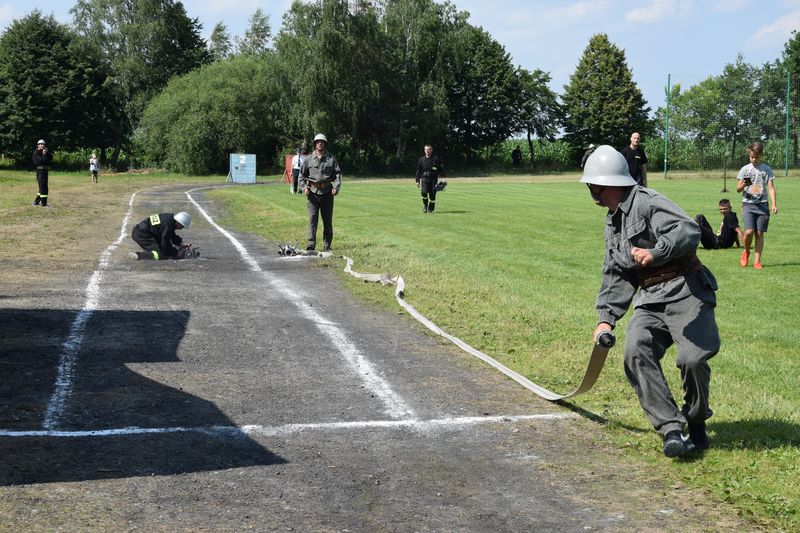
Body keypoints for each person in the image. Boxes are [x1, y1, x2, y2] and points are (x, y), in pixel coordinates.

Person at [582, 145, 720, 458]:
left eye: (592, 185)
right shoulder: (612, 222)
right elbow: (615, 272)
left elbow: (687, 230)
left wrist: (655, 253)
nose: (591, 192)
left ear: (604, 184)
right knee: (635, 351)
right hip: (650, 299)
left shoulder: (648, 202)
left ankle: (695, 419)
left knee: (693, 360)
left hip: (686, 290)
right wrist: (606, 317)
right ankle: (671, 429)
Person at [736, 142, 778, 269]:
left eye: (757, 157)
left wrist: (774, 204)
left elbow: (771, 188)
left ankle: (757, 261)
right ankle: (746, 251)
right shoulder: (745, 169)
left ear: (761, 156)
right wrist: (743, 185)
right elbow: (738, 189)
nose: (754, 159)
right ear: (749, 156)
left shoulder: (766, 169)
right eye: (752, 157)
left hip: (762, 205)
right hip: (748, 205)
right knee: (749, 232)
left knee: (759, 233)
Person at [299, 133, 341, 251]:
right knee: (313, 219)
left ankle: (327, 244)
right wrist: (304, 188)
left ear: (325, 144)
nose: (320, 143)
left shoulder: (331, 159)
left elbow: (338, 175)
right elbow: (301, 176)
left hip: (327, 193)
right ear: (314, 144)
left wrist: (336, 187)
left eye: (322, 142)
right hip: (312, 193)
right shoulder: (308, 159)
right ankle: (311, 243)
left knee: (327, 220)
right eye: (317, 142)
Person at [415, 144, 446, 213]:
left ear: (431, 150)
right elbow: (418, 170)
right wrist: (417, 180)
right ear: (424, 150)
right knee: (424, 192)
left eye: (428, 149)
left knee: (432, 194)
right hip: (424, 178)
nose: (427, 151)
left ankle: (430, 209)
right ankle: (425, 205)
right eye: (426, 149)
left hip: (433, 179)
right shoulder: (421, 159)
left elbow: (440, 169)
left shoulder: (435, 159)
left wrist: (443, 178)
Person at [32, 139, 53, 207]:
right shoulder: (36, 153)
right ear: (37, 145)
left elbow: (50, 158)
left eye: (43, 144)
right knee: (43, 188)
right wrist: (44, 155)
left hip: (45, 172)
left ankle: (36, 202)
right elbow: (39, 162)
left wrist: (46, 153)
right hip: (40, 172)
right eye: (40, 144)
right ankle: (44, 204)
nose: (41, 145)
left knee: (43, 187)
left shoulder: (44, 152)